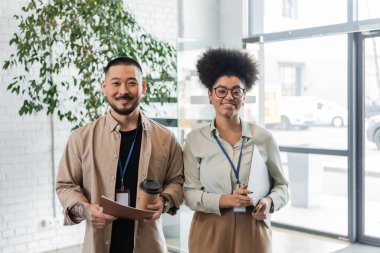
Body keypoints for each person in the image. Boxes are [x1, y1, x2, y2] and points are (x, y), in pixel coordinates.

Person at [56, 56, 184, 253]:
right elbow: (65, 185)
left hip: (149, 245)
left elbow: (178, 181)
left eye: (131, 83)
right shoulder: (81, 138)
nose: (123, 91)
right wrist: (86, 209)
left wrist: (164, 201)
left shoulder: (166, 138)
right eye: (116, 83)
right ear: (105, 86)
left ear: (143, 87)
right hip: (98, 245)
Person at [183, 48, 289, 253]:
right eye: (221, 90)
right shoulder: (194, 140)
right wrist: (226, 200)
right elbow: (189, 193)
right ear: (210, 95)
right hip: (210, 230)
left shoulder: (264, 138)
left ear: (244, 96)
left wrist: (269, 202)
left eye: (236, 91)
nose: (228, 97)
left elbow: (282, 187)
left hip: (253, 229)